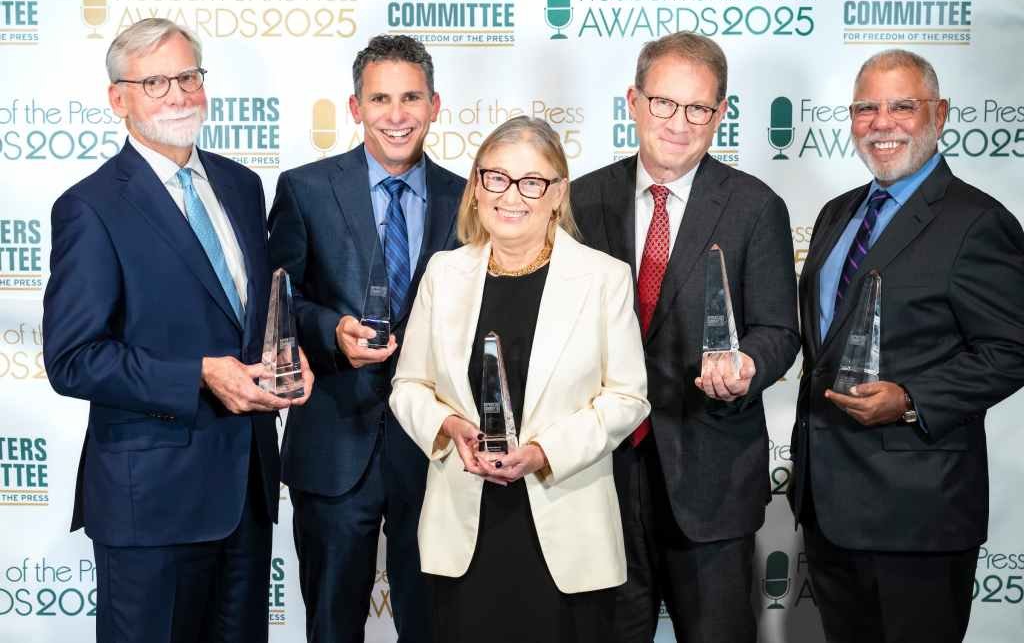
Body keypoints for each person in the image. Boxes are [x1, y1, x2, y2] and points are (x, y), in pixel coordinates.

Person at [42, 18, 313, 643]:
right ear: (119, 98)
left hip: (245, 493)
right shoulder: (90, 207)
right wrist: (198, 375)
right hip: (150, 507)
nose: (178, 94)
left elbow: (255, 312)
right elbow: (73, 359)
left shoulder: (242, 185)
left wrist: (286, 356)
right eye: (156, 81)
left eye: (188, 76)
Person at [788, 49, 1024, 643]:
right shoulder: (837, 215)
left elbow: (1014, 346)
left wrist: (911, 397)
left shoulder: (976, 221)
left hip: (917, 518)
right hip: (828, 508)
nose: (881, 122)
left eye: (901, 106)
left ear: (939, 113)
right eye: (866, 107)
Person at [571, 31, 800, 642]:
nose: (679, 123)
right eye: (664, 103)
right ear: (633, 101)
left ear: (720, 113)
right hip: (599, 479)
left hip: (711, 477)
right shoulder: (578, 200)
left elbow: (780, 329)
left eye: (698, 108)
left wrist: (748, 363)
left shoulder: (756, 207)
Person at [389, 116, 650, 643]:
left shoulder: (604, 278)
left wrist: (542, 452)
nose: (513, 196)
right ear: (477, 187)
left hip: (565, 528)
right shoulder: (444, 273)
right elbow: (408, 387)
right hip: (465, 529)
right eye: (498, 178)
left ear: (558, 194)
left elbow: (627, 399)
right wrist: (448, 429)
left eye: (533, 182)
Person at [267, 34, 463, 643]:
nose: (396, 115)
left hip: (436, 451)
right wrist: (331, 332)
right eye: (380, 98)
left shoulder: (471, 199)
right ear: (355, 108)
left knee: (435, 626)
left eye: (411, 97)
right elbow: (276, 306)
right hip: (334, 442)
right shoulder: (305, 189)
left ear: (434, 104)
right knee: (331, 626)